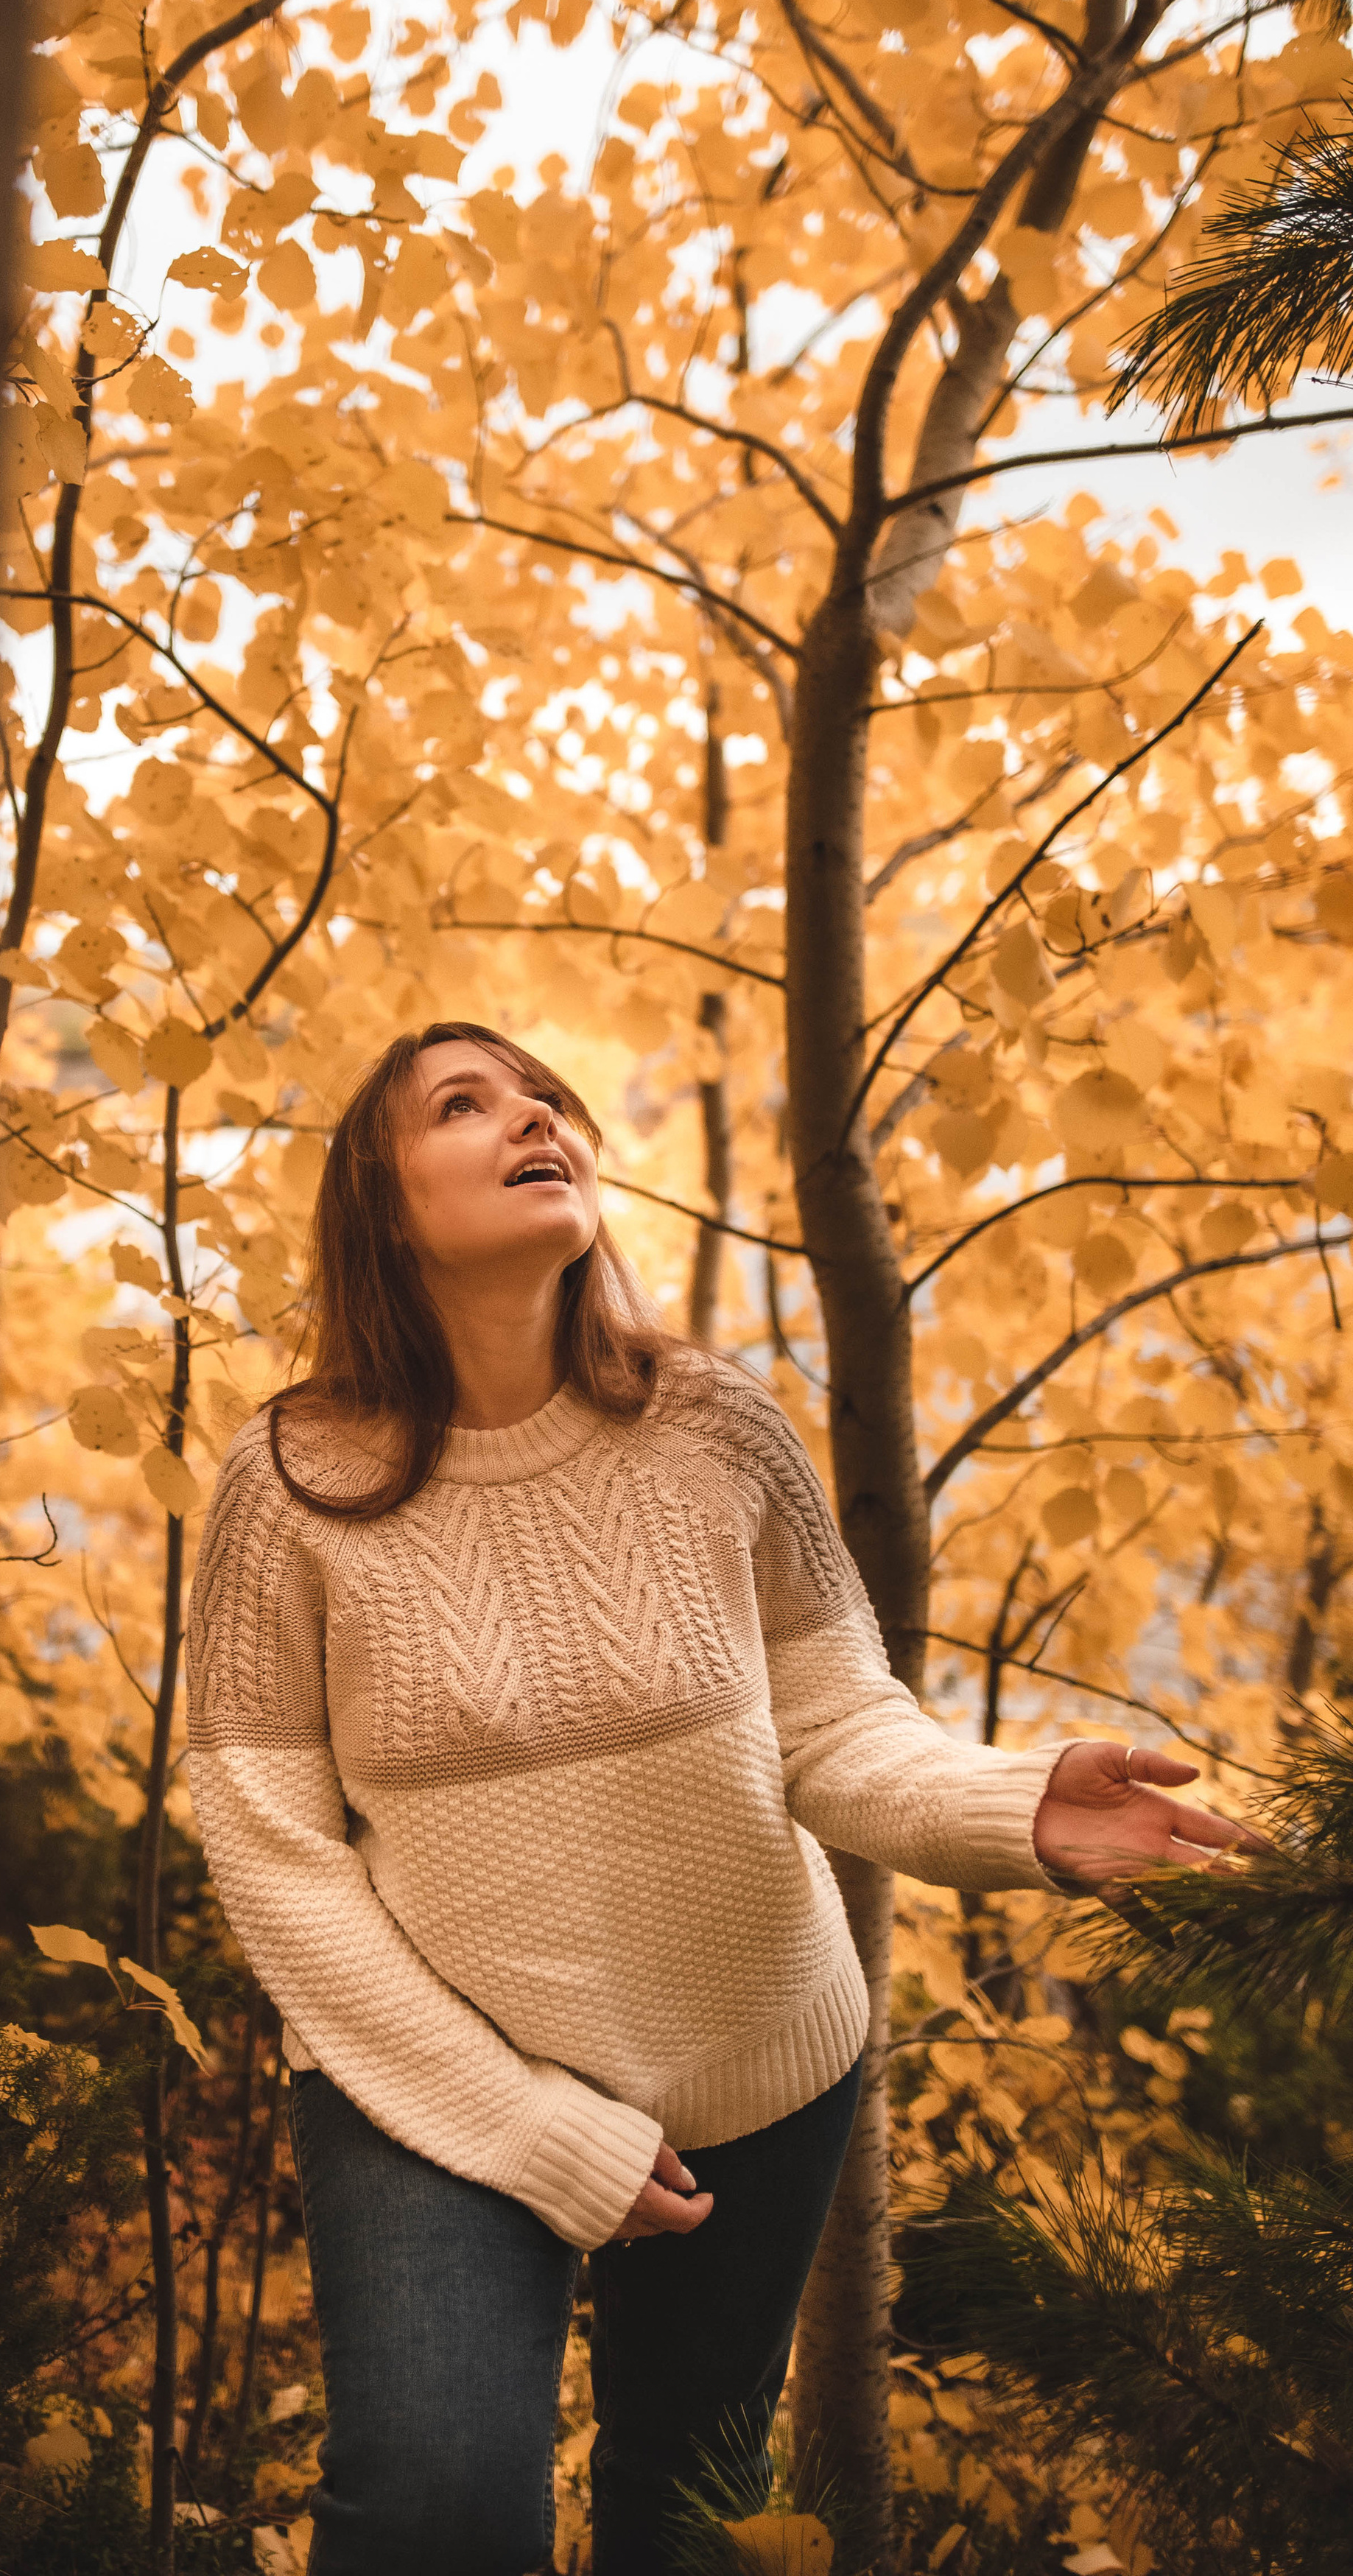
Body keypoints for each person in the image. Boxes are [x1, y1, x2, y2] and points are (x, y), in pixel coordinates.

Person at [184, 1020, 1256, 2576]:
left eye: (544, 1096)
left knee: (688, 2512)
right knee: (431, 2511)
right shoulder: (287, 1480)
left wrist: (1013, 1808)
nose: (530, 1119)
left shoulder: (710, 1423)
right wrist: (523, 2123)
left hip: (753, 2058)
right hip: (426, 2083)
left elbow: (833, 1727)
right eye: (463, 1105)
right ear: (374, 1201)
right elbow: (272, 1856)